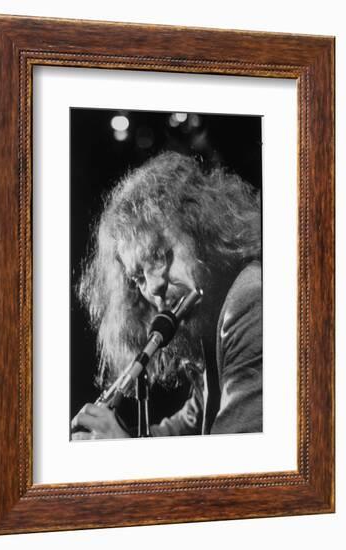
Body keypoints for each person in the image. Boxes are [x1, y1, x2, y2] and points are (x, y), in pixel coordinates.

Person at [71, 151, 262, 439]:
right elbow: (189, 424)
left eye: (159, 256)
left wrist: (126, 457)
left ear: (201, 233)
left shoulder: (249, 300)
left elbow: (234, 467)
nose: (153, 287)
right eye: (138, 278)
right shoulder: (208, 325)